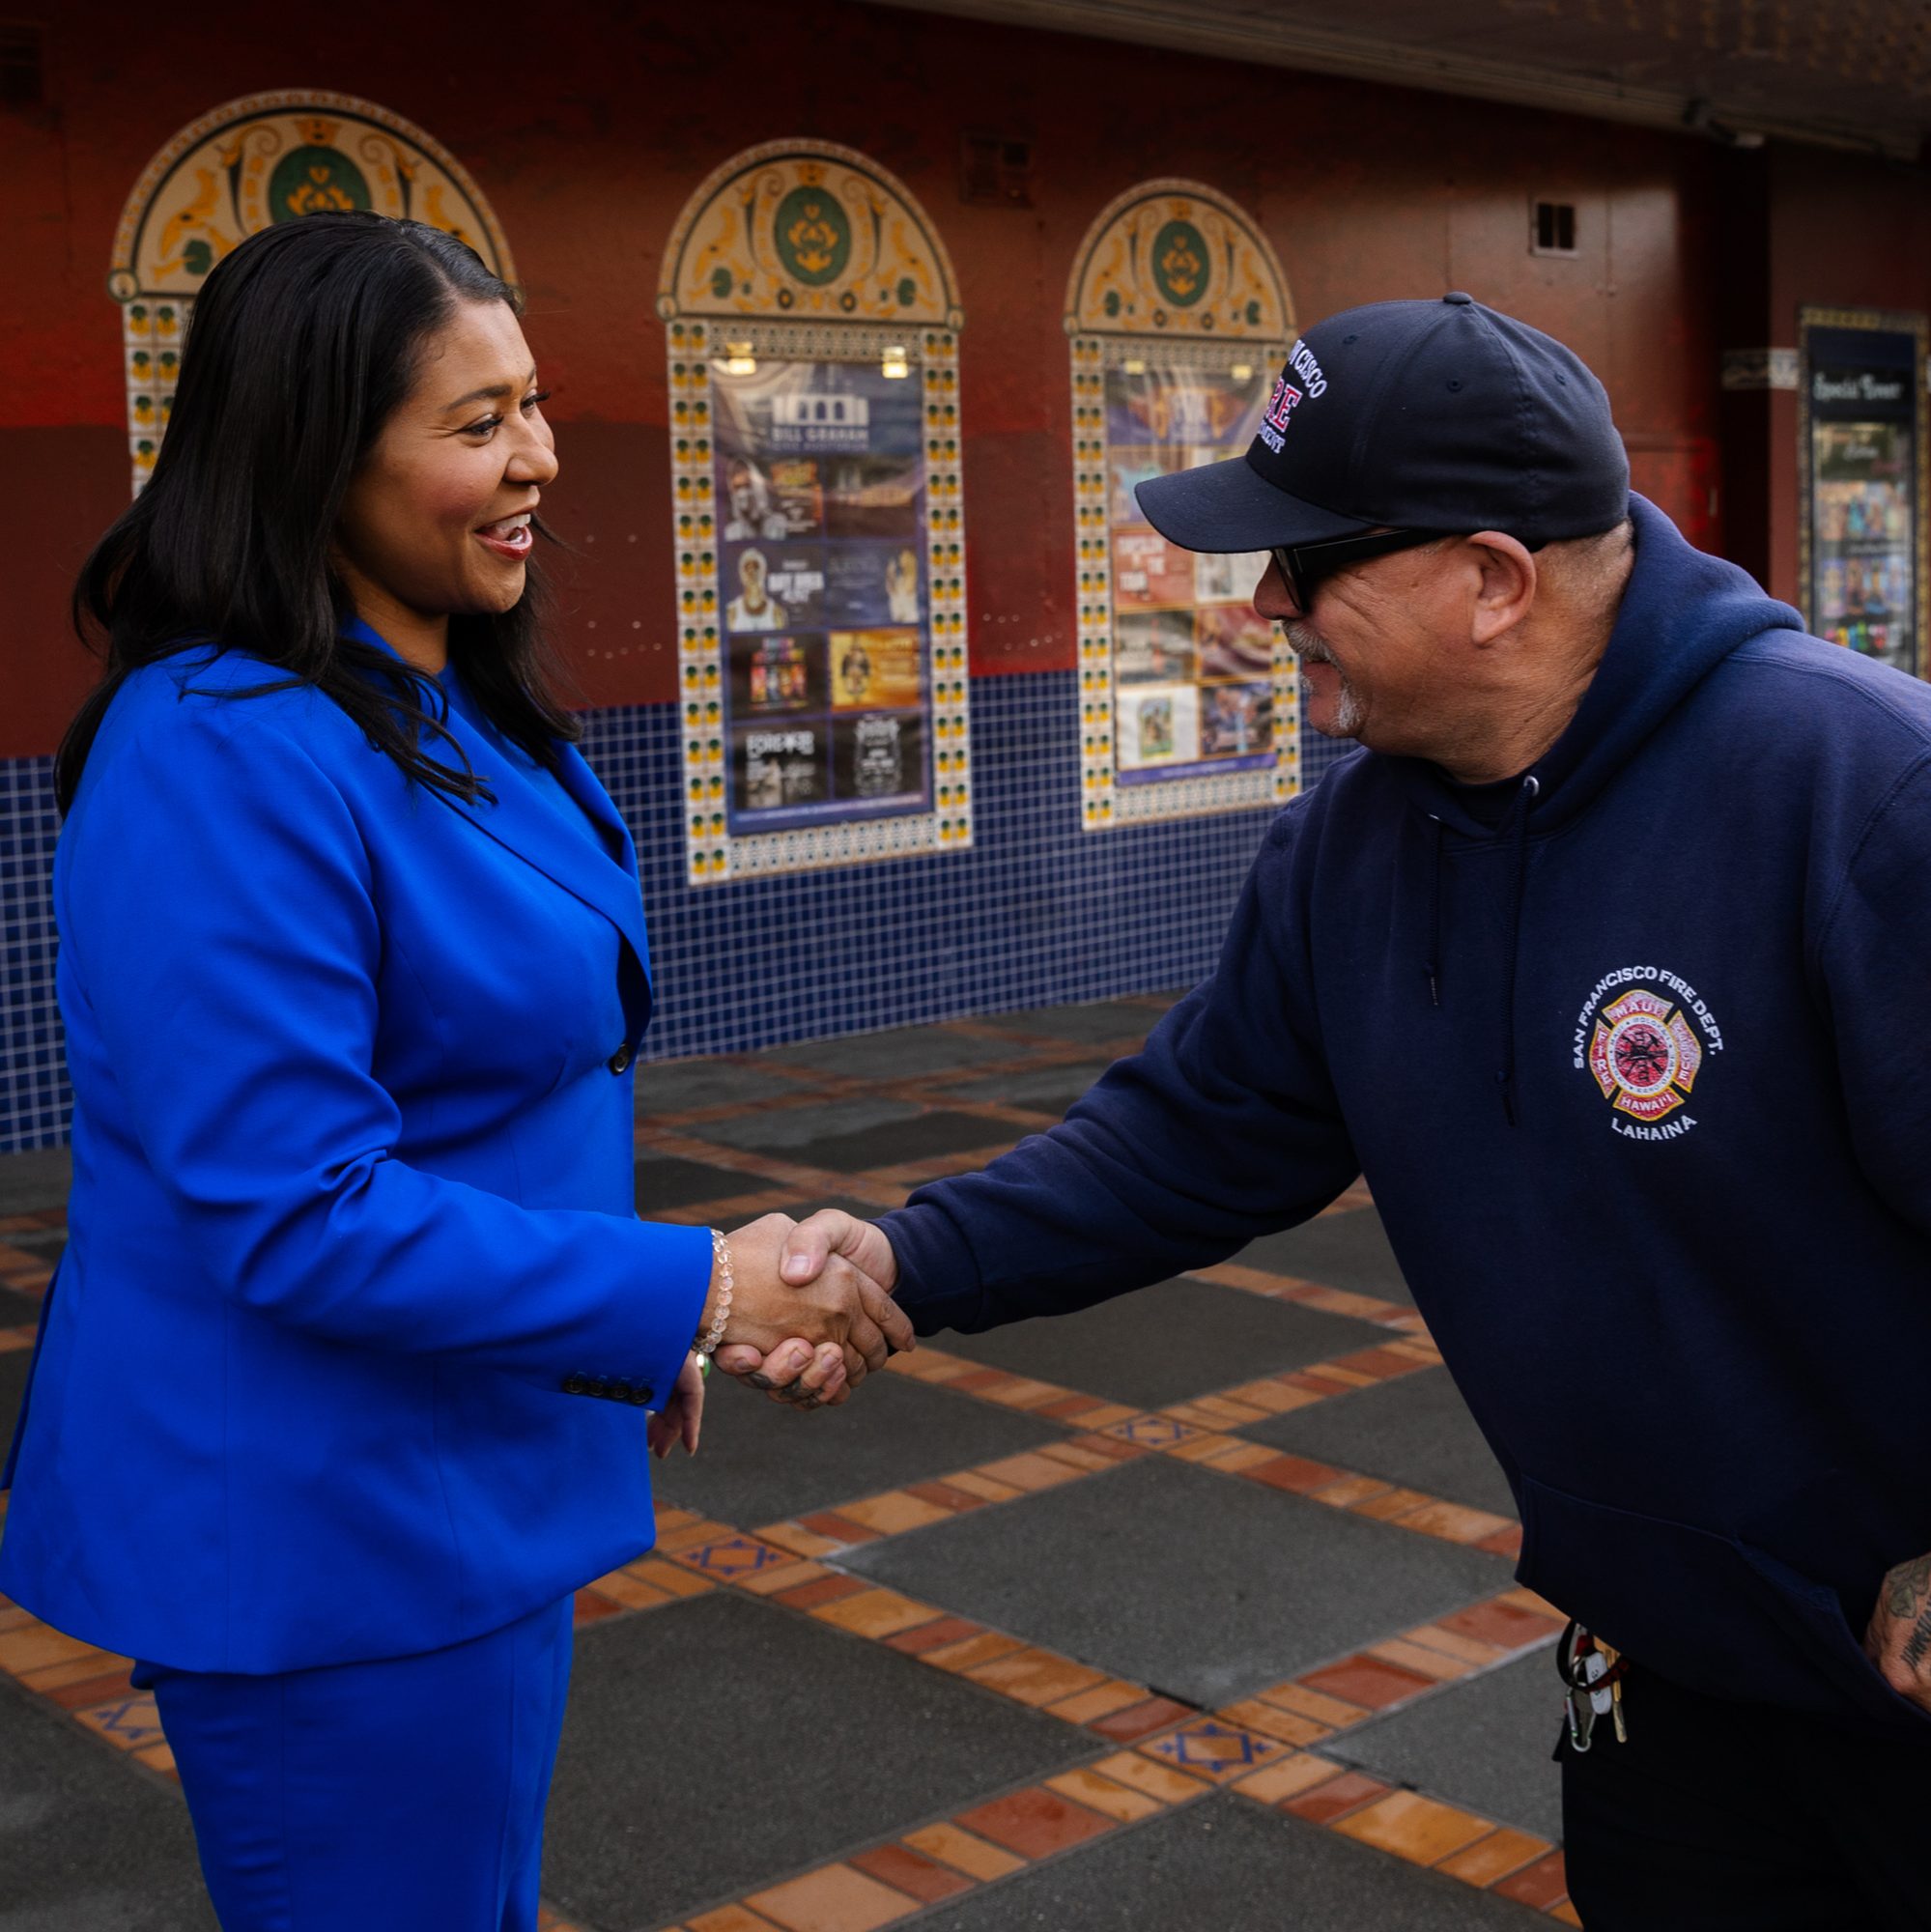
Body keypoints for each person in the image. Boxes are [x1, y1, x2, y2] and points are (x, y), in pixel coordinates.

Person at [732, 295, 1931, 1927]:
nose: (1264, 598)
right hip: (1651, 1672)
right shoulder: (1345, 848)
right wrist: (893, 1261)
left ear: (1492, 580)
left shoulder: (1856, 793)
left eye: (1308, 559)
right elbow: (1193, 1134)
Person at [0, 212, 905, 1932]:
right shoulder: (219, 750)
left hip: (461, 1462)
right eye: (476, 422)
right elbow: (294, 1209)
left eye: (535, 406)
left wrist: (622, 1328)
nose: (539, 458)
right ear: (313, 453)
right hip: (325, 1524)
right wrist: (697, 1287)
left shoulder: (438, 695)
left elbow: (497, 1090)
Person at [726, 545, 786, 630]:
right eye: (747, 568)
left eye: (756, 566)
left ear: (765, 572)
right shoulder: (731, 612)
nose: (752, 572)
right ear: (741, 575)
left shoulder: (777, 613)